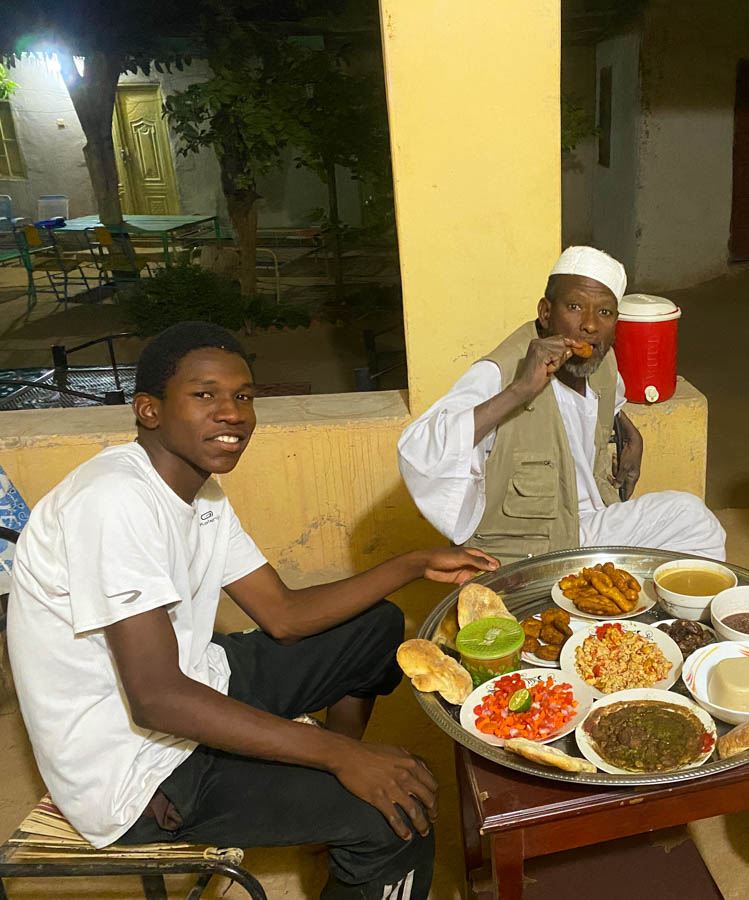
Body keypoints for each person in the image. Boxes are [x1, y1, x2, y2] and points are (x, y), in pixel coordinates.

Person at [7, 322, 499, 900]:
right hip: (138, 769)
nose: (233, 413)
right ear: (149, 410)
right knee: (399, 813)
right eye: (204, 395)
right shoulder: (114, 503)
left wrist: (411, 563)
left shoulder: (201, 490)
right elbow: (157, 698)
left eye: (243, 396)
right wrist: (342, 756)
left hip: (200, 684)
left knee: (378, 628)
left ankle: (330, 812)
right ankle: (351, 812)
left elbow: (283, 613)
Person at [398, 245, 726, 564]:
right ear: (545, 312)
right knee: (691, 516)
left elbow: (603, 402)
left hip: (591, 522)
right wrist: (519, 391)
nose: (590, 324)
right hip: (529, 551)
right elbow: (421, 451)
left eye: (604, 312)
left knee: (692, 529)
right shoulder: (499, 373)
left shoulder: (603, 361)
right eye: (574, 307)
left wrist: (632, 432)